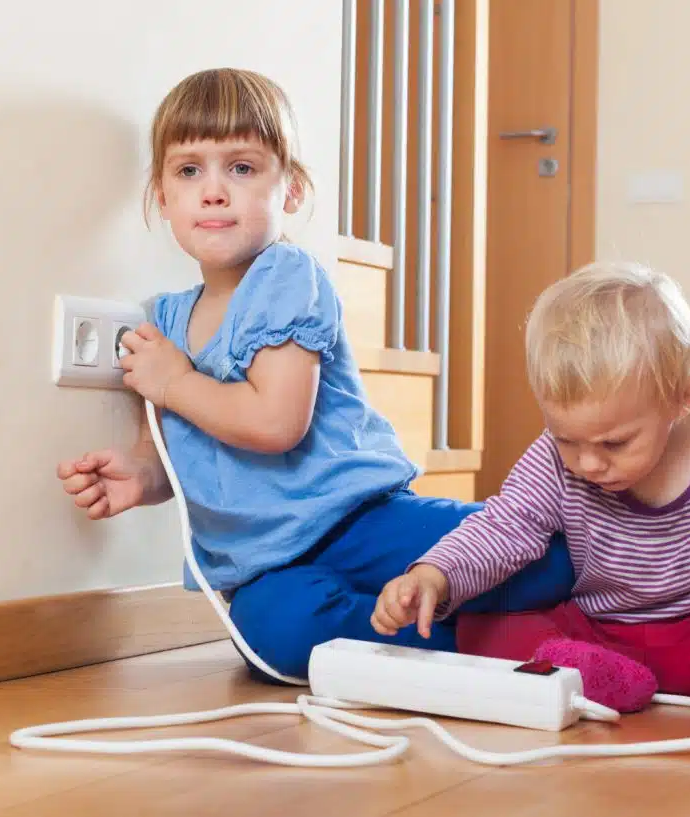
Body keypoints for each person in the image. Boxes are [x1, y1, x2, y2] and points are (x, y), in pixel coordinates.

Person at [56, 67, 574, 681]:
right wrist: (141, 476)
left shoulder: (285, 277)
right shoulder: (162, 321)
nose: (213, 191)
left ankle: (537, 616)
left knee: (549, 556)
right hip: (270, 566)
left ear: (291, 190)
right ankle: (488, 643)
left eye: (242, 168)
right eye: (189, 171)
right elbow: (172, 448)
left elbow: (275, 423)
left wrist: (173, 382)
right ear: (162, 196)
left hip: (361, 520)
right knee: (275, 636)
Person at [371, 261, 690, 735]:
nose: (588, 463)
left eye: (614, 443)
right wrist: (434, 574)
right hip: (603, 638)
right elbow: (505, 527)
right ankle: (581, 674)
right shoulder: (551, 460)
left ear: (684, 396)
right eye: (567, 438)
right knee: (484, 621)